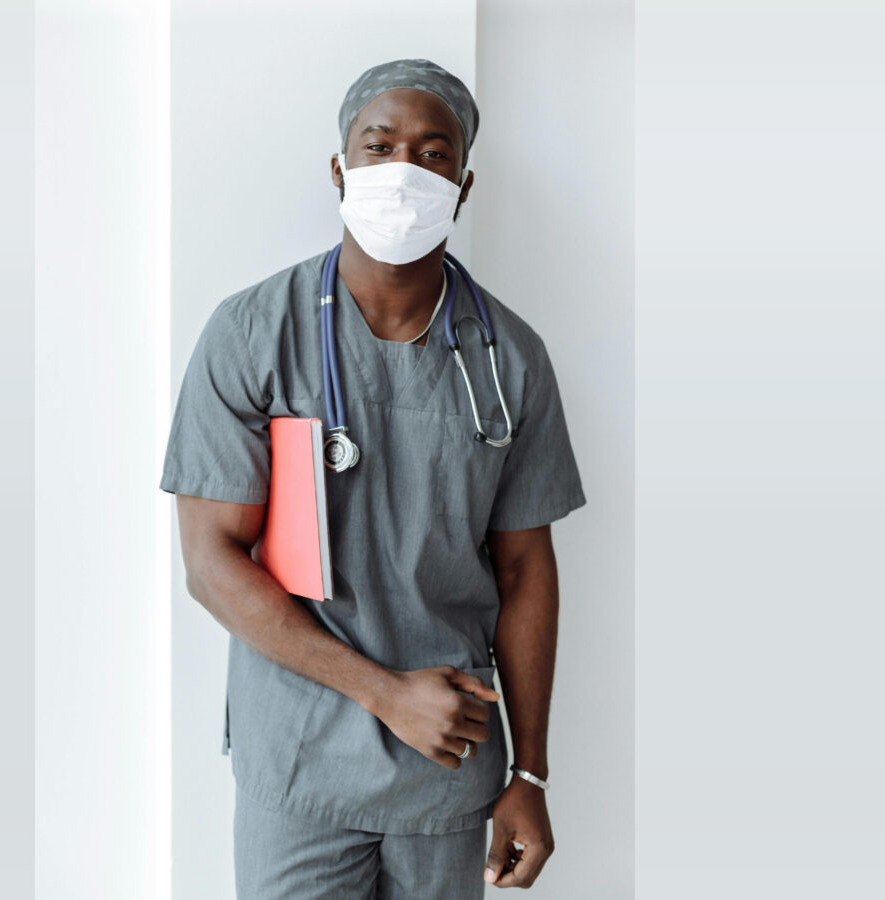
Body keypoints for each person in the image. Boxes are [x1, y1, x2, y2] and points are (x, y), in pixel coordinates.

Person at [159, 58, 587, 897]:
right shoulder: (252, 335)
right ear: (339, 168)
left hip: (447, 757)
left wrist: (529, 774)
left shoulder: (510, 358)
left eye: (432, 154)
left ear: (462, 186)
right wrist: (384, 693)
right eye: (379, 146)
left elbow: (525, 571)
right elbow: (211, 565)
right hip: (301, 755)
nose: (403, 171)